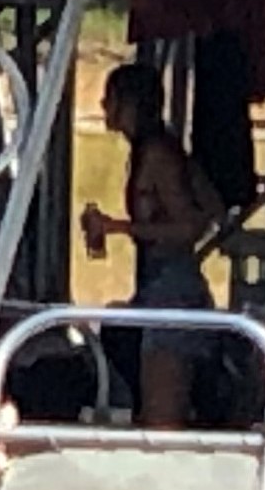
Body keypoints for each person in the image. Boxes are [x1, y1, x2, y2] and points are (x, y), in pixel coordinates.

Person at [81, 64, 221, 429]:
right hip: (157, 283)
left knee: (163, 418)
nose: (103, 106)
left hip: (172, 288)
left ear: (131, 104)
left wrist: (117, 227)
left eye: (111, 98)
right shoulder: (153, 150)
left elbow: (191, 225)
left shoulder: (159, 154)